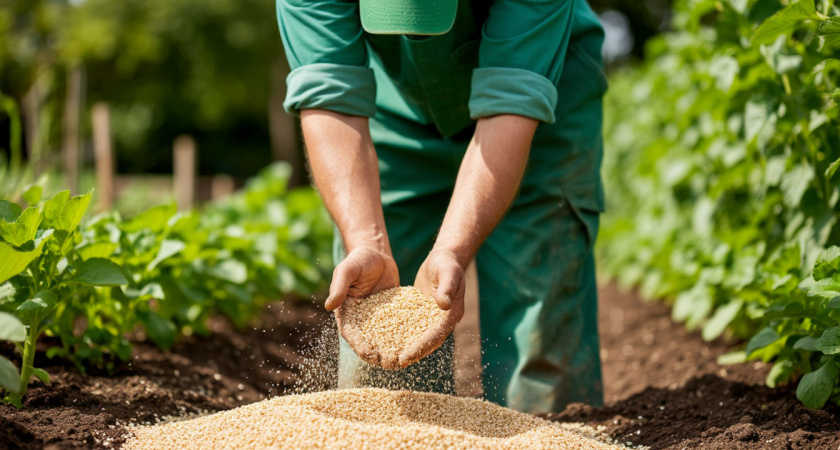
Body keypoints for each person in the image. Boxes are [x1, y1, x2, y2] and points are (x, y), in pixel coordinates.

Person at [277, 0, 608, 414]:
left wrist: (451, 249)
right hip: (392, 108)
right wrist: (368, 242)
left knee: (540, 354)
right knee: (382, 384)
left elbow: (511, 101)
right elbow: (329, 96)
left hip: (541, 90)